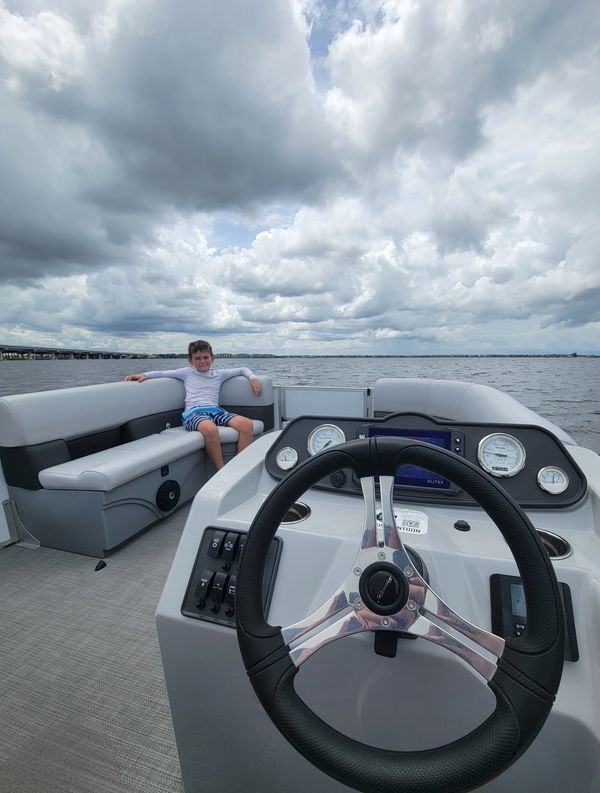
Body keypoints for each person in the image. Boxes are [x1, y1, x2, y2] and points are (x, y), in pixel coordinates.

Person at [125, 339, 262, 470]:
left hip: (216, 411)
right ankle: (221, 470)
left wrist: (253, 379)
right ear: (190, 360)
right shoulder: (186, 373)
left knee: (246, 425)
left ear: (212, 358)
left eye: (205, 357)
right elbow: (162, 373)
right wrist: (144, 375)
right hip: (193, 414)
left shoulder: (219, 374)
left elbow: (242, 369)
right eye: (197, 358)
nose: (202, 361)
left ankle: (239, 467)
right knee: (210, 429)